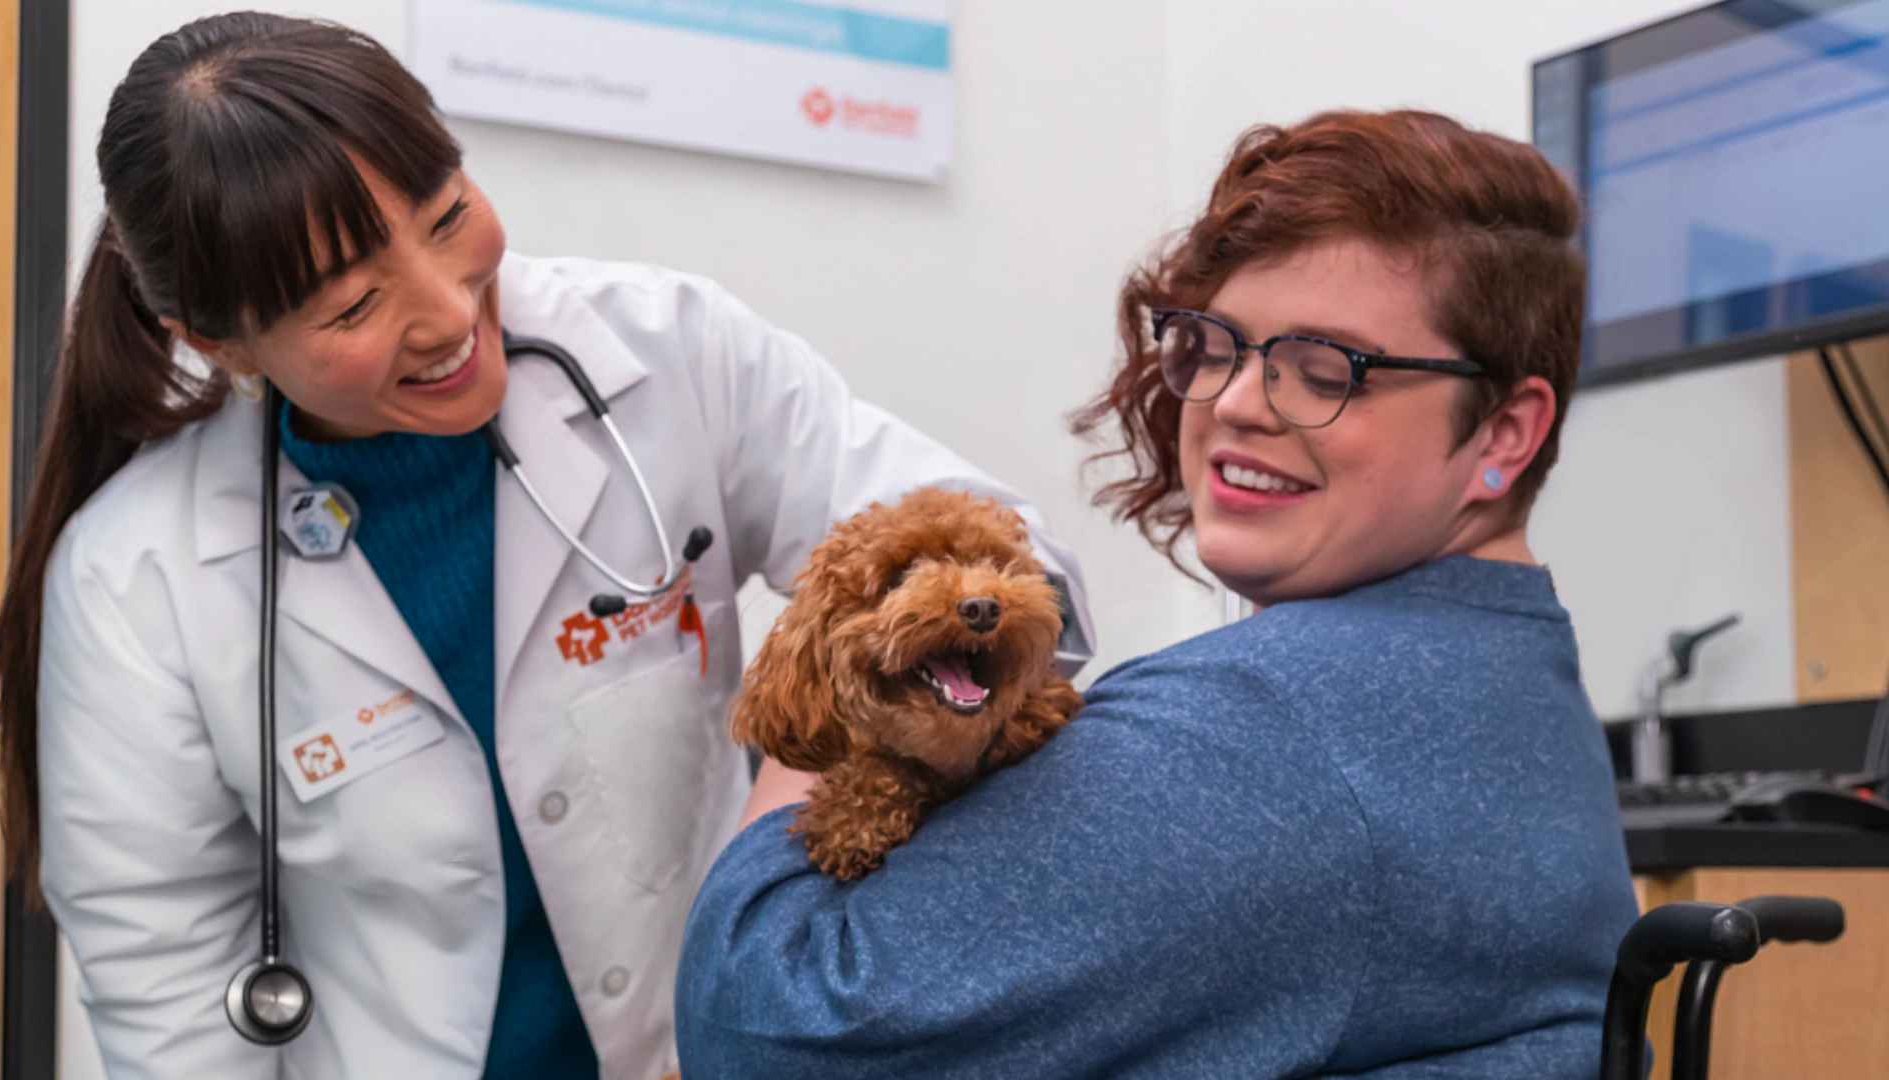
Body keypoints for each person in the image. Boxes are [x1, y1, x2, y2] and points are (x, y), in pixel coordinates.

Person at [0, 13, 1094, 1079]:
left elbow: (1017, 564)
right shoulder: (138, 576)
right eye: (353, 304)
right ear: (219, 344)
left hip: (711, 1047)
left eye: (445, 212)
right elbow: (169, 1001)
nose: (445, 311)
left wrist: (793, 791)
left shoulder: (670, 354)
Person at [675, 109, 1638, 1078]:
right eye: (1216, 346)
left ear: (1505, 435)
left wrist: (842, 701)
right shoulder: (1508, 681)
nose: (1234, 403)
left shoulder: (1257, 732)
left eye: (1325, 369)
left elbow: (768, 1027)